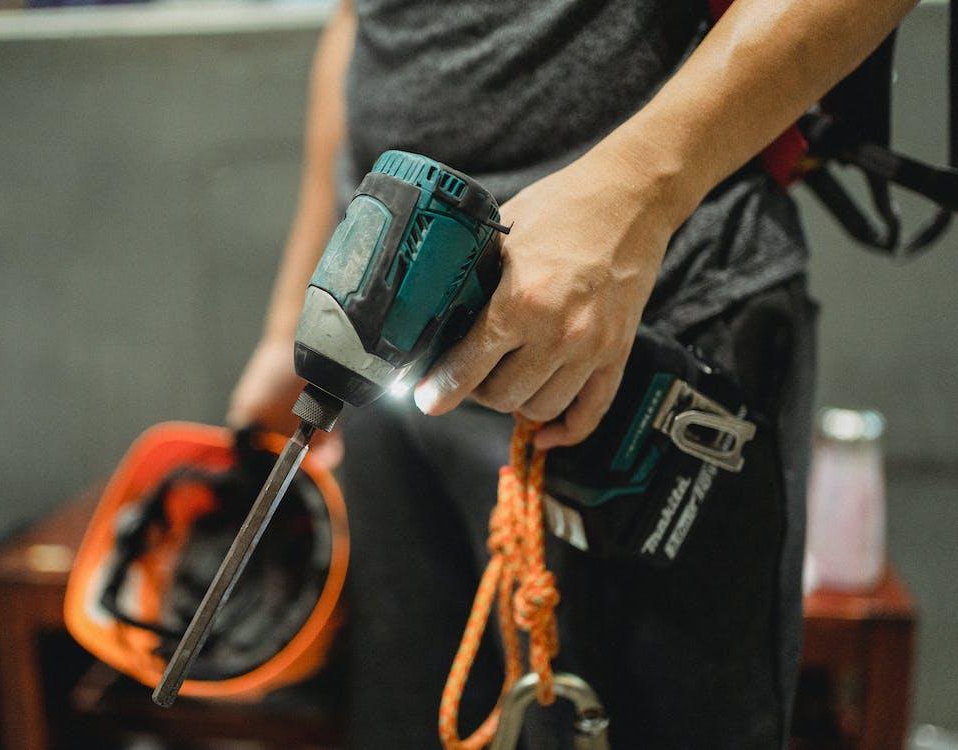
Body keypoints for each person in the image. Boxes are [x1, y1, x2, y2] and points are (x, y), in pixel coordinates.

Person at [227, 1, 916, 747]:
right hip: (397, 337)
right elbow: (362, 20)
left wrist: (633, 196)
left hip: (639, 327)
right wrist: (288, 321)